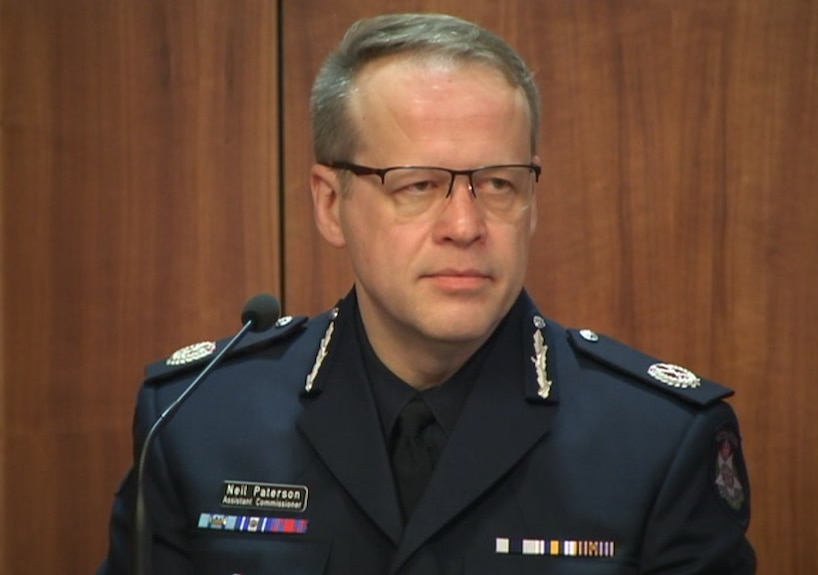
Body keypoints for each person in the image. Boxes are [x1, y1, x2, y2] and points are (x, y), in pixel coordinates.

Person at [97, 12, 756, 575]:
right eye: (417, 185)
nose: (466, 227)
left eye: (498, 183)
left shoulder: (660, 441)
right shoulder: (194, 420)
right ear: (330, 204)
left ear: (532, 202)